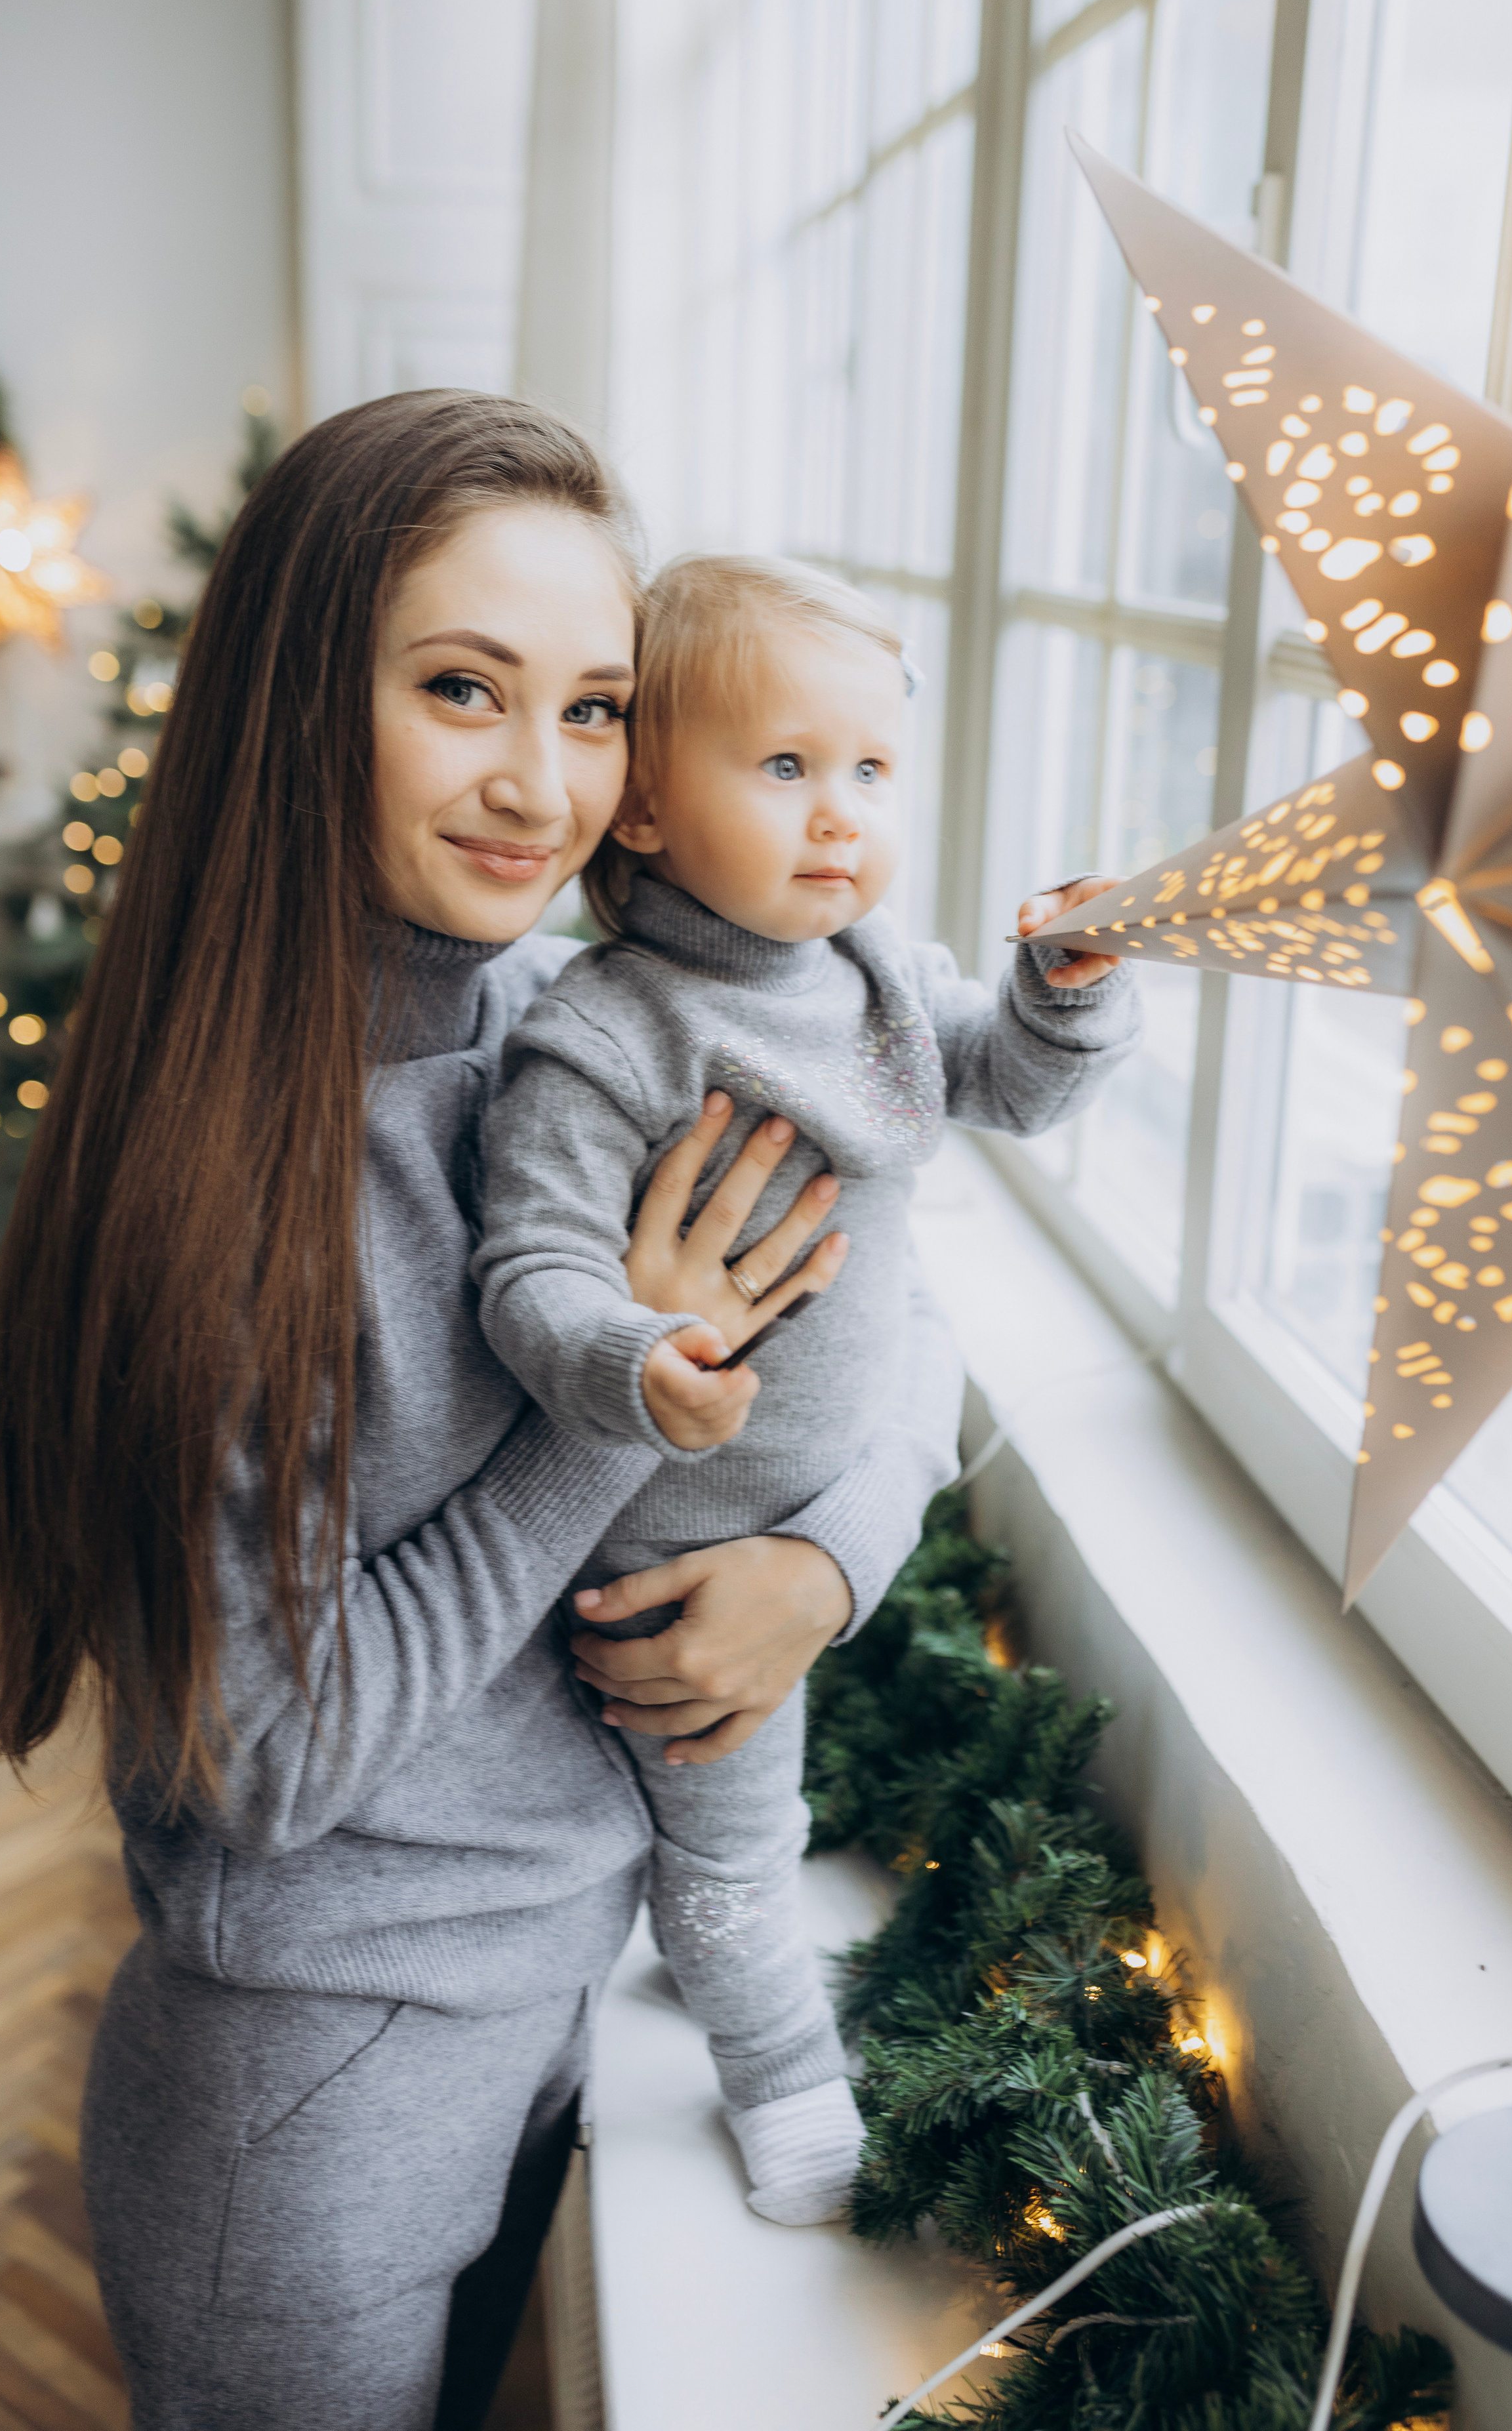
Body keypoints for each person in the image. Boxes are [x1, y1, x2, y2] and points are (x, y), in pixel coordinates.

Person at [0, 395, 974, 2431]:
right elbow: (274, 1756)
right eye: (459, 691)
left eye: (597, 709)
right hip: (313, 2095)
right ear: (295, 705)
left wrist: (820, 1560)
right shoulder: (231, 1176)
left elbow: (902, 1316)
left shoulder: (566, 1021)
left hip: (553, 1989)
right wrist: (629, 1414)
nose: (544, 786)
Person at [474, 553, 1137, 2226]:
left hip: (806, 1523)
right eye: (782, 768)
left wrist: (1065, 998)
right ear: (639, 810)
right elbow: (531, 1273)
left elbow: (1001, 1082)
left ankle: (723, 1984)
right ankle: (777, 2073)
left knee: (739, 1831)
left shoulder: (875, 975)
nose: (837, 814)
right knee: (733, 1853)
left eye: (868, 770)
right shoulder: (608, 1035)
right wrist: (633, 1353)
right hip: (667, 1559)